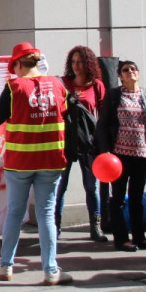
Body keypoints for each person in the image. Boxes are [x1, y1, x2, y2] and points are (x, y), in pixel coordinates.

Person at [0, 42, 72, 285]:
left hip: (20, 162)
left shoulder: (14, 87)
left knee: (15, 212)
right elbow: (64, 112)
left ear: (17, 64)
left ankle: (6, 267)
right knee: (46, 214)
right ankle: (50, 270)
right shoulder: (58, 85)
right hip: (51, 160)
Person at [95, 60, 146, 252]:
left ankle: (140, 237)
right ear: (120, 76)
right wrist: (106, 151)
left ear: (138, 74)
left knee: (137, 197)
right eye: (125, 70)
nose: (130, 72)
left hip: (142, 154)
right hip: (119, 156)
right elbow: (103, 124)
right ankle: (121, 239)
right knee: (118, 198)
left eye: (133, 69)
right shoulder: (114, 95)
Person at [55, 46, 108, 241]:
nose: (76, 66)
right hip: (66, 142)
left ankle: (95, 226)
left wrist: (104, 145)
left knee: (91, 186)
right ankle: (55, 226)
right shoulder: (63, 83)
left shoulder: (97, 86)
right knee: (60, 186)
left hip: (88, 142)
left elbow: (102, 116)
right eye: (73, 62)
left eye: (81, 62)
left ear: (89, 64)